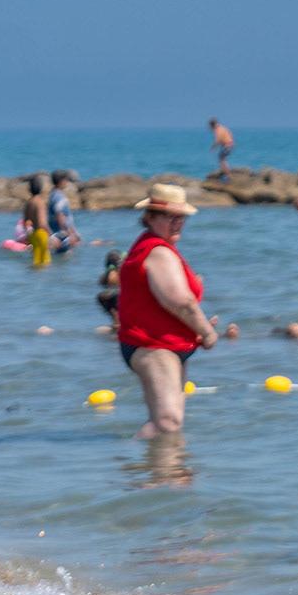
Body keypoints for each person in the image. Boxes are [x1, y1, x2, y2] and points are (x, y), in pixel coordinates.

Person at [117, 184, 222, 438]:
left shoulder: (158, 247)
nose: (178, 223)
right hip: (153, 345)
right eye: (170, 217)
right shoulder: (158, 251)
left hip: (172, 346)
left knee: (167, 424)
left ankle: (164, 474)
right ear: (150, 217)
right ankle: (133, 468)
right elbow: (178, 301)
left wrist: (197, 325)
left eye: (181, 217)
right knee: (167, 422)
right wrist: (207, 332)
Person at [21, 174, 53, 269]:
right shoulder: (40, 202)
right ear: (41, 188)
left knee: (36, 262)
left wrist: (28, 236)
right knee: (46, 262)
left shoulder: (29, 203)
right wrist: (51, 235)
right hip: (41, 234)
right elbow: (42, 223)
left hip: (33, 235)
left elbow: (25, 221)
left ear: (29, 189)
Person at [47, 170, 81, 253]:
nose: (67, 182)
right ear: (61, 181)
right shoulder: (59, 197)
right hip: (62, 234)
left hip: (56, 232)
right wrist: (69, 233)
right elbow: (60, 214)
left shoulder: (52, 194)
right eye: (66, 180)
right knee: (66, 256)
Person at [96, 249, 123, 331]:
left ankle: (117, 322)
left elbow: (101, 284)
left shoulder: (105, 276)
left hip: (113, 296)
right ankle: (118, 322)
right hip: (119, 296)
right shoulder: (119, 271)